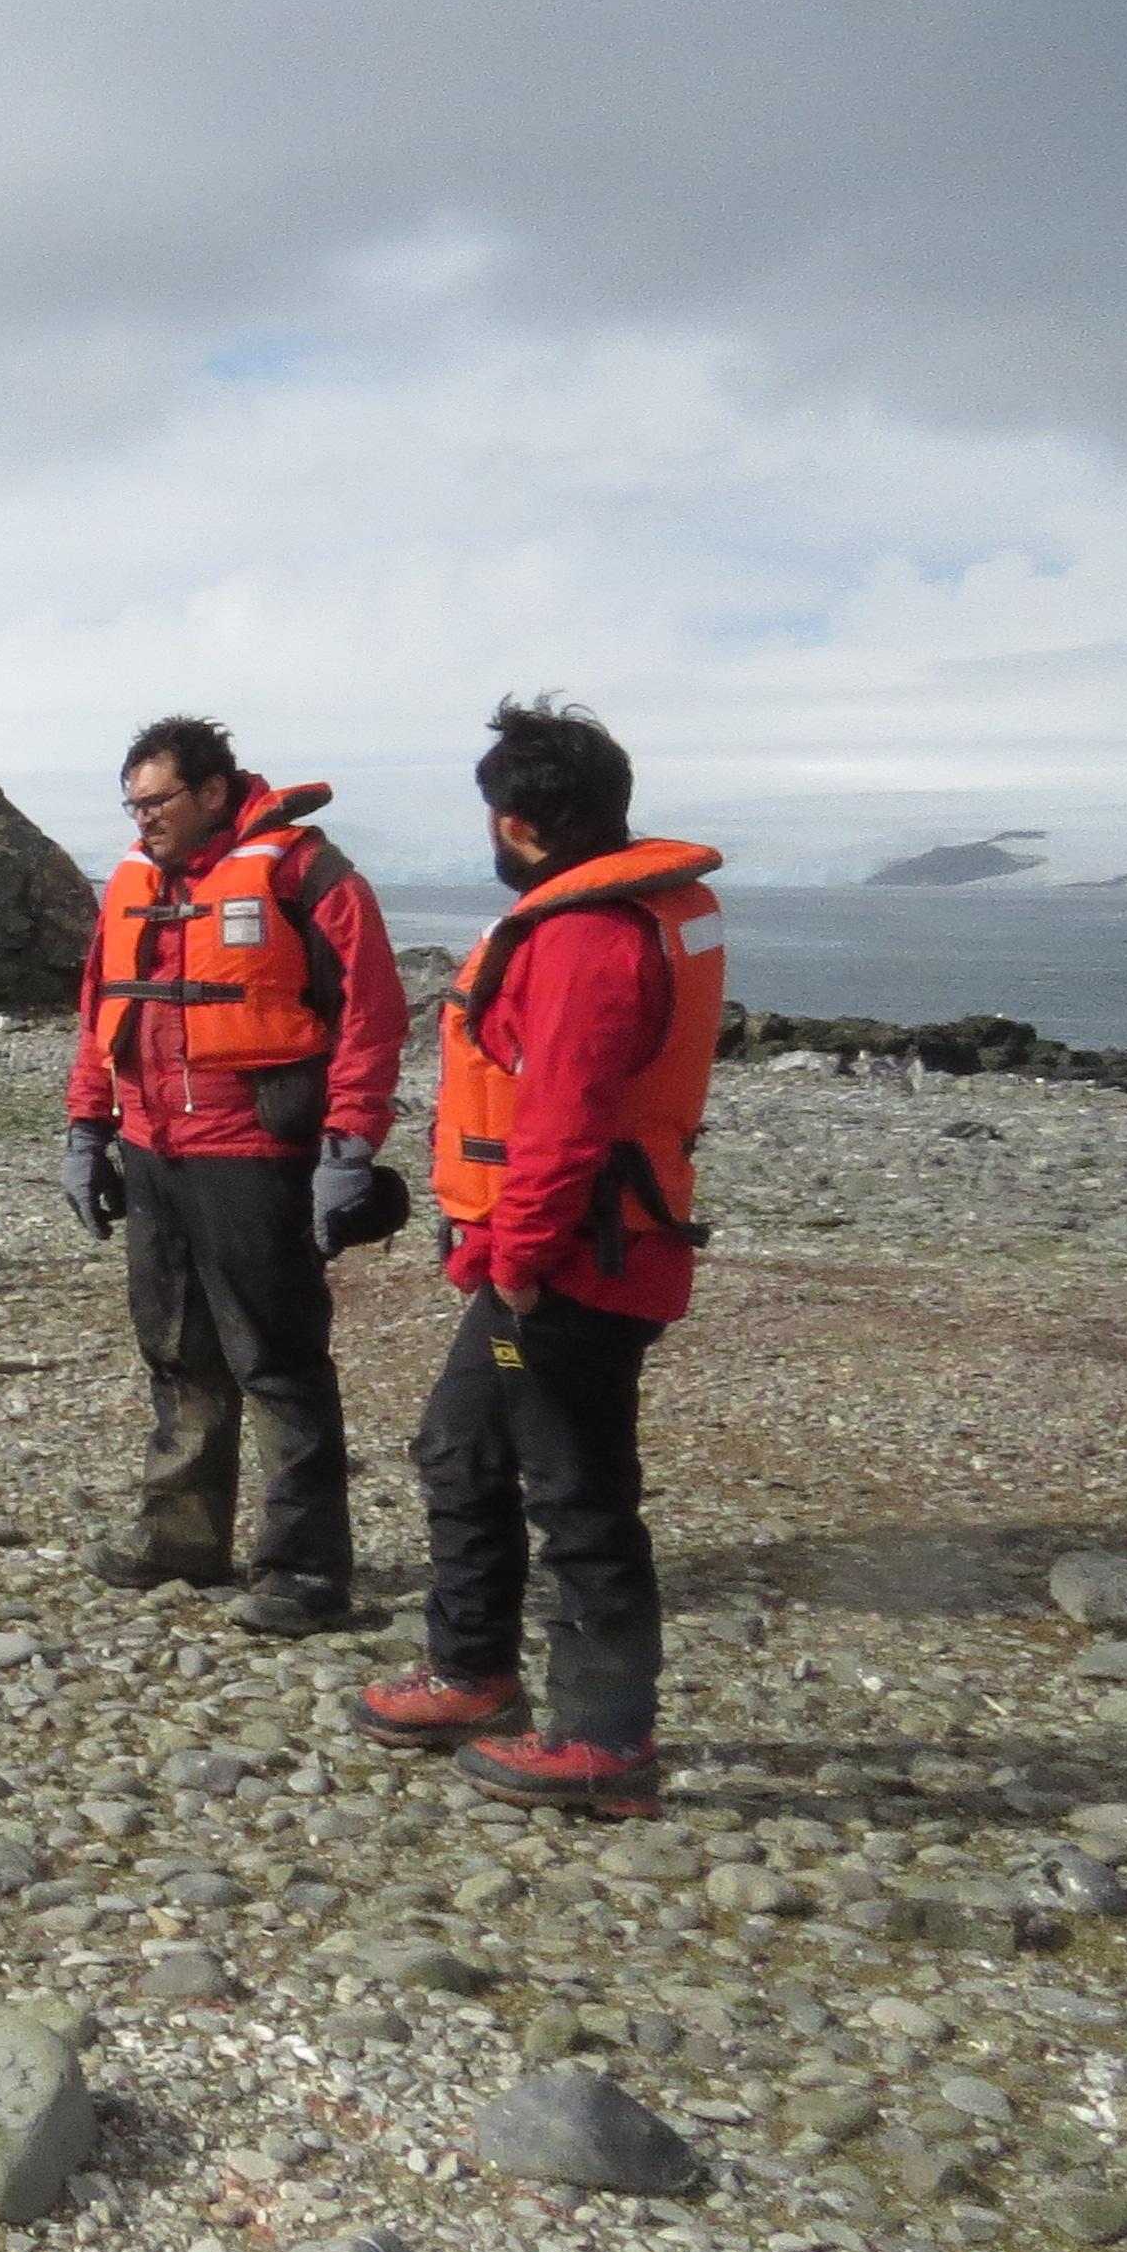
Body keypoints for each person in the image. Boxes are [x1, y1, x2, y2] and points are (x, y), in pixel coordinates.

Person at [355, 701, 722, 1816]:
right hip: (568, 1249)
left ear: (515, 826)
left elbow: (562, 1115)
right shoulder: (629, 915)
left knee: (576, 1486)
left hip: (574, 1262)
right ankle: (472, 1671)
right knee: (461, 1445)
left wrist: (511, 1255)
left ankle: (607, 1741)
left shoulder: (584, 939)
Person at [63, 714, 407, 1634]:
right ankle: (180, 1536)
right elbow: (102, 1009)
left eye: (157, 802)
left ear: (215, 791)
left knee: (279, 1361)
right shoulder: (133, 886)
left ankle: (303, 1569)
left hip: (256, 1154)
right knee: (175, 1349)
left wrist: (347, 1149)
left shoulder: (307, 874)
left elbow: (372, 1016)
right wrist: (86, 1130)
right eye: (132, 805)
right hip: (155, 1152)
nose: (142, 823)